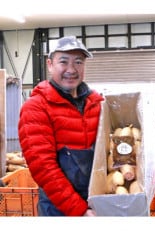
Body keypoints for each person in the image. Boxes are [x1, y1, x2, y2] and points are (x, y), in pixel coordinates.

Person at [18, 36, 104, 216]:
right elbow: (44, 169)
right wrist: (80, 211)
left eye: (78, 62)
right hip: (58, 208)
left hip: (96, 201)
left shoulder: (97, 104)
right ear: (50, 64)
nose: (71, 70)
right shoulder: (36, 107)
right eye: (63, 62)